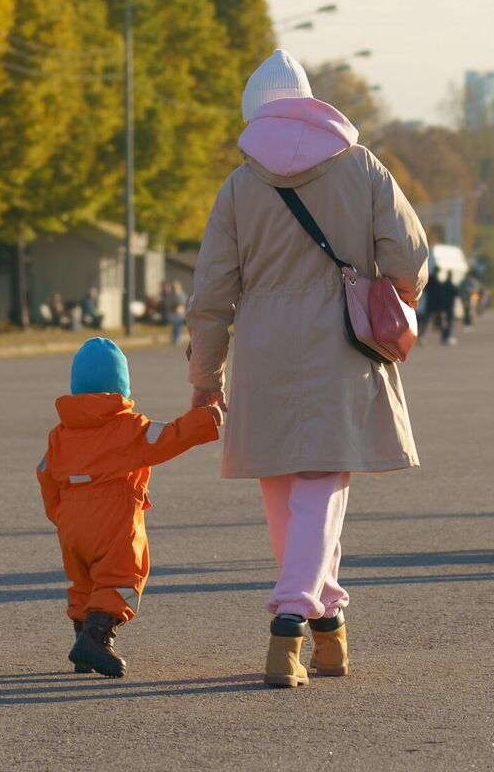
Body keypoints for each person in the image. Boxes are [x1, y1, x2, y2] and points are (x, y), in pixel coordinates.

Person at [186, 50, 429, 688]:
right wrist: (393, 292)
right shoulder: (364, 168)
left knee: (282, 489)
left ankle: (329, 630)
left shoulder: (239, 187)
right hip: (339, 341)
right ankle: (292, 617)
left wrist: (205, 379)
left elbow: (211, 297)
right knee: (323, 479)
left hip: (263, 346)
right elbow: (409, 255)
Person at [36, 338, 222, 678]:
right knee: (123, 575)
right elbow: (171, 436)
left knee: (84, 581)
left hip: (72, 524)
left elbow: (45, 473)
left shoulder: (59, 434)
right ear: (121, 386)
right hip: (113, 517)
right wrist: (207, 418)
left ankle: (82, 643)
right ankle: (96, 638)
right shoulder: (129, 427)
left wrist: (59, 515)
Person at [423, 268, 457, 345]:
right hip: (444, 306)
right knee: (445, 322)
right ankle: (446, 337)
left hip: (437, 305)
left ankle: (444, 337)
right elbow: (456, 293)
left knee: (433, 321)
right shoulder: (446, 284)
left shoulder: (437, 283)